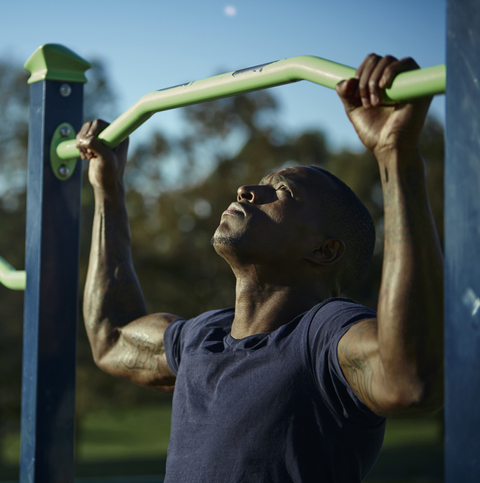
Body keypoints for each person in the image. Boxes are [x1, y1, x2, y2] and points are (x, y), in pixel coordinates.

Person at [76, 54, 443, 482]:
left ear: (325, 251)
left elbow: (410, 380)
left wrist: (396, 154)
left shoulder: (322, 335)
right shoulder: (203, 337)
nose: (247, 190)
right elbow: (111, 338)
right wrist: (109, 188)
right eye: (260, 184)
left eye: (280, 191)